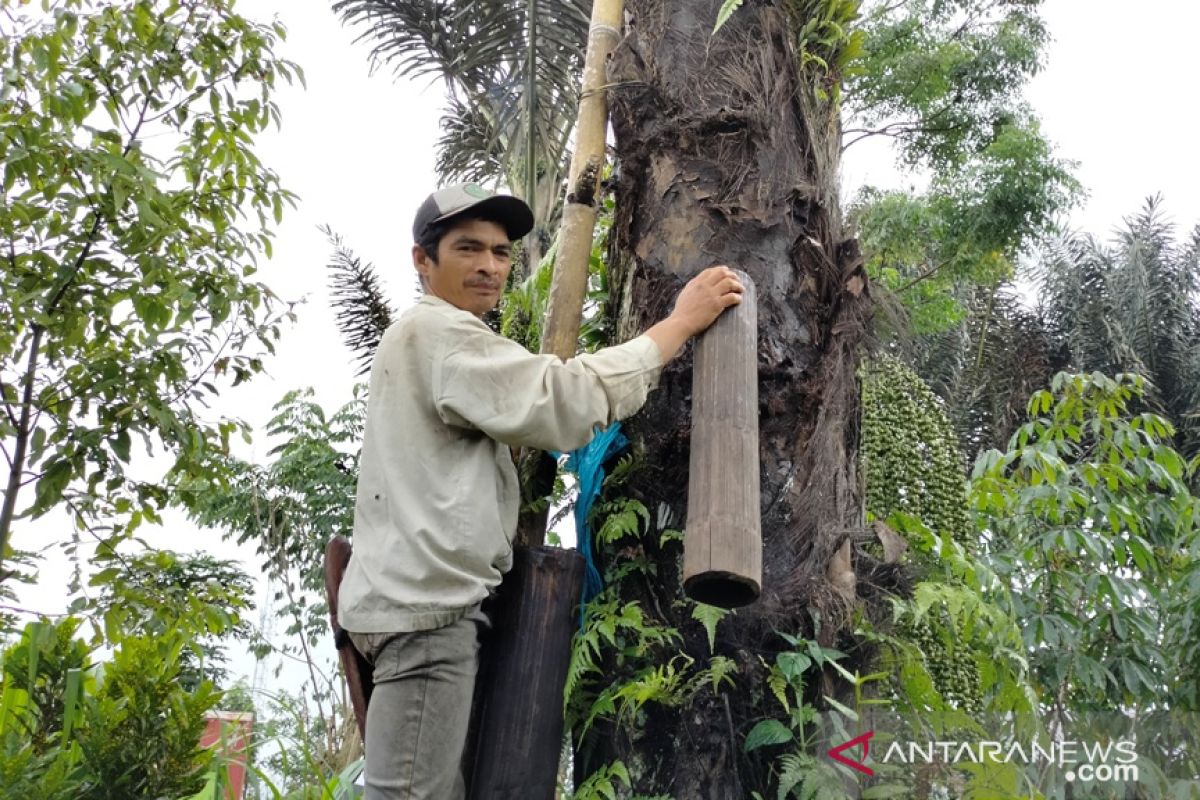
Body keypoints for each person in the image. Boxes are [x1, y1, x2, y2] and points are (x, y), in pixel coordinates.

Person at [337, 182, 744, 799]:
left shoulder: (428, 340)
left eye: (501, 253)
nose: (488, 267)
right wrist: (680, 323)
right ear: (422, 260)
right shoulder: (441, 337)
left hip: (415, 608)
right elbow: (564, 401)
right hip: (426, 617)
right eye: (468, 249)